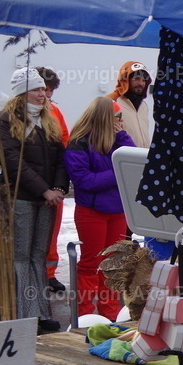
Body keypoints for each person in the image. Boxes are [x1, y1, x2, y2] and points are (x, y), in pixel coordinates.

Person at [0, 67, 67, 332]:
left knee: (39, 256)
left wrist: (59, 187)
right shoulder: (6, 120)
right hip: (21, 198)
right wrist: (43, 190)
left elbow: (61, 154)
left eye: (42, 89)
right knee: (21, 257)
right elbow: (14, 162)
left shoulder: (47, 118)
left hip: (47, 199)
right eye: (36, 89)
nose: (42, 94)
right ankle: (25, 316)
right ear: (21, 92)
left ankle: (40, 311)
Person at [63, 98, 136, 319]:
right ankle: (84, 314)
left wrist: (122, 136)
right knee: (90, 264)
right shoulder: (79, 142)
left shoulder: (116, 140)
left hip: (117, 212)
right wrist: (117, 171)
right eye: (116, 118)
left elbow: (133, 162)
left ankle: (110, 313)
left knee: (113, 266)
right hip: (91, 212)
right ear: (105, 119)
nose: (119, 122)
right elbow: (85, 181)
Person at [36, 67, 69, 295]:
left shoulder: (55, 112)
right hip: (30, 185)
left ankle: (49, 274)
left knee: (52, 232)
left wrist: (59, 185)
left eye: (49, 90)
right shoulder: (15, 114)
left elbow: (64, 145)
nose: (46, 95)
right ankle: (33, 275)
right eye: (43, 90)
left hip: (53, 184)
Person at [107, 61, 152, 148]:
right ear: (125, 80)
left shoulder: (144, 106)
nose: (141, 83)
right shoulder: (111, 102)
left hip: (143, 157)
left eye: (144, 80)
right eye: (137, 79)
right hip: (120, 158)